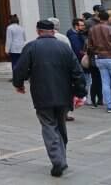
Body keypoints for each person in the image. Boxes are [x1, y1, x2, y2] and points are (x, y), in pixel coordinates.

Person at [12, 19, 87, 178]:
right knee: (61, 125)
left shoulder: (31, 47)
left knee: (48, 126)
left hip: (42, 94)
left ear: (38, 31)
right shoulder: (64, 47)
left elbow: (20, 69)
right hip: (64, 94)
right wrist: (80, 92)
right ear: (53, 31)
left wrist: (19, 84)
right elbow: (77, 71)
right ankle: (62, 157)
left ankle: (57, 159)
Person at [66, 18, 91, 108]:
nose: (83, 27)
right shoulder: (74, 36)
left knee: (85, 80)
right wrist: (85, 54)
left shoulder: (78, 34)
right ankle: (85, 98)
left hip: (79, 61)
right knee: (85, 80)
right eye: (82, 25)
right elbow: (77, 50)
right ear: (76, 26)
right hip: (80, 62)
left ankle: (85, 97)